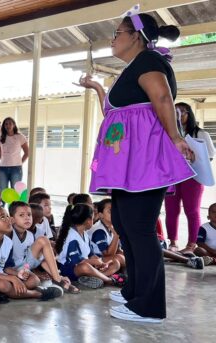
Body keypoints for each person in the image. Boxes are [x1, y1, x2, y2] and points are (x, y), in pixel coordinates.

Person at [77, 11, 194, 323]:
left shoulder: (149, 62)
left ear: (135, 37)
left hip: (144, 162)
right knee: (128, 227)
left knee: (140, 229)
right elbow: (114, 112)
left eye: (118, 32)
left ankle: (150, 306)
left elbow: (163, 98)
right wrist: (98, 89)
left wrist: (176, 137)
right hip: (129, 164)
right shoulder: (134, 67)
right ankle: (134, 292)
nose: (113, 38)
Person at [0, 206, 64, 301]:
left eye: (7, 216)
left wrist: (18, 274)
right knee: (4, 285)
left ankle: (5, 293)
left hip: (2, 275)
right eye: (3, 217)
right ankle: (38, 293)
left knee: (33, 280)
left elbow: (6, 267)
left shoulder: (7, 242)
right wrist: (12, 279)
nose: (9, 219)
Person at [165, 102, 216, 253]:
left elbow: (211, 155)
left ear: (189, 114)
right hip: (173, 176)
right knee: (171, 210)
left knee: (191, 210)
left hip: (193, 177)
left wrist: (195, 157)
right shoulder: (168, 132)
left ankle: (191, 244)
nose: (178, 116)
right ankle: (173, 242)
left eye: (181, 112)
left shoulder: (201, 134)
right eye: (175, 112)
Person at [8, 202, 77, 294]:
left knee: (43, 241)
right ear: (12, 219)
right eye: (21, 215)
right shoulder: (8, 234)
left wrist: (55, 274)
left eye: (29, 214)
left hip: (25, 267)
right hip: (12, 270)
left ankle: (57, 278)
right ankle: (46, 284)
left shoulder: (30, 235)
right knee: (33, 281)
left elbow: (38, 259)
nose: (27, 217)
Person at [55, 204, 124, 290]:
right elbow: (76, 261)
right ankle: (109, 280)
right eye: (93, 218)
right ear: (88, 221)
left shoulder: (84, 233)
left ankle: (96, 277)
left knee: (116, 263)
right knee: (85, 267)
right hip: (70, 268)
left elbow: (91, 253)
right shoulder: (71, 235)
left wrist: (102, 264)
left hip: (86, 263)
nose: (94, 220)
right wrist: (95, 262)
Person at [0, 117, 29, 194]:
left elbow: (27, 153)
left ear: (14, 125)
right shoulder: (1, 137)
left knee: (15, 193)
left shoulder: (20, 137)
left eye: (10, 123)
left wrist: (19, 162)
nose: (8, 126)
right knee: (3, 193)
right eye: (6, 124)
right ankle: (2, 206)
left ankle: (13, 206)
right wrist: (4, 161)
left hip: (16, 169)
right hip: (2, 169)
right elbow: (0, 152)